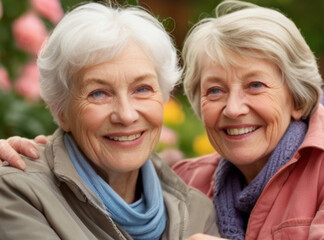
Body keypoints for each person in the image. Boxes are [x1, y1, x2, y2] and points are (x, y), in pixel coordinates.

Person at [0, 0, 324, 239]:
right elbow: (81, 157)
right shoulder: (188, 182)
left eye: (255, 85)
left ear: (297, 98)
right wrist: (44, 153)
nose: (233, 108)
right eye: (215, 90)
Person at [0, 2, 218, 239]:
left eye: (142, 89)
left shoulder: (197, 211)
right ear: (62, 111)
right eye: (98, 93)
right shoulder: (18, 191)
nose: (126, 115)